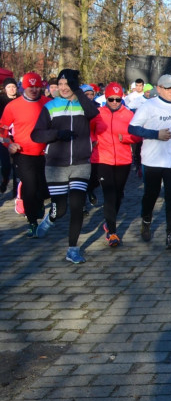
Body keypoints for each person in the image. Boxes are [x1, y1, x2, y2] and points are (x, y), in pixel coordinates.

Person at [30, 69, 100, 263]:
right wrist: (56, 135)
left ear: (74, 86)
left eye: (67, 84)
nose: (63, 88)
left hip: (81, 163)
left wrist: (78, 92)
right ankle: (51, 218)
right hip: (56, 164)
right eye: (60, 84)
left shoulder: (83, 105)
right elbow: (36, 134)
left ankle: (72, 249)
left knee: (77, 206)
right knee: (60, 209)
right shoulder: (51, 106)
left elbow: (93, 112)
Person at [128, 74, 171, 249]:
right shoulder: (149, 106)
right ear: (159, 88)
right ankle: (146, 220)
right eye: (168, 88)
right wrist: (155, 134)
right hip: (153, 160)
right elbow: (132, 128)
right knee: (151, 195)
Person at [90, 83, 141, 247]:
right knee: (109, 194)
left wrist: (125, 138)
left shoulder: (128, 115)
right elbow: (89, 131)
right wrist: (93, 140)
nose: (114, 102)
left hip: (123, 160)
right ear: (106, 98)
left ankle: (108, 222)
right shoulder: (97, 114)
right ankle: (112, 232)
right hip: (102, 159)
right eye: (111, 99)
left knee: (118, 195)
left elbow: (137, 136)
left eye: (117, 99)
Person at [0, 72, 49, 236]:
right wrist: (9, 144)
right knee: (29, 187)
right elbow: (2, 131)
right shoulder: (13, 106)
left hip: (45, 153)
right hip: (23, 153)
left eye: (37, 87)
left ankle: (40, 202)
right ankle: (32, 222)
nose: (34, 90)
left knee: (43, 189)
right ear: (23, 88)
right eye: (30, 87)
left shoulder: (48, 103)